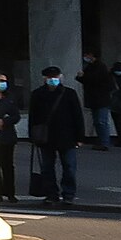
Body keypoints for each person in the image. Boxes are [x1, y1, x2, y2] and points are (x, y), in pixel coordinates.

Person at [27, 64, 83, 207]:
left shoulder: (68, 93)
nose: (53, 80)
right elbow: (33, 117)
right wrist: (32, 136)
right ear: (45, 79)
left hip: (67, 137)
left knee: (69, 167)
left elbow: (78, 115)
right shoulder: (38, 94)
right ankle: (51, 194)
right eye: (50, 78)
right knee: (47, 168)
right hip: (46, 138)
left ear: (60, 77)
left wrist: (80, 137)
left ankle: (68, 194)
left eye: (56, 77)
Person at [0, 70, 23, 205]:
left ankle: (10, 193)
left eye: (5, 81)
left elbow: (16, 116)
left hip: (7, 136)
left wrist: (4, 121)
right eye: (1, 81)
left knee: (8, 166)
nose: (3, 84)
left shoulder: (9, 98)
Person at [78, 53, 115, 149]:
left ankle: (104, 142)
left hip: (100, 98)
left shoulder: (99, 67)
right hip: (96, 98)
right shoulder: (92, 67)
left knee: (101, 121)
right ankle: (102, 142)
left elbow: (93, 80)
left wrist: (82, 77)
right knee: (98, 121)